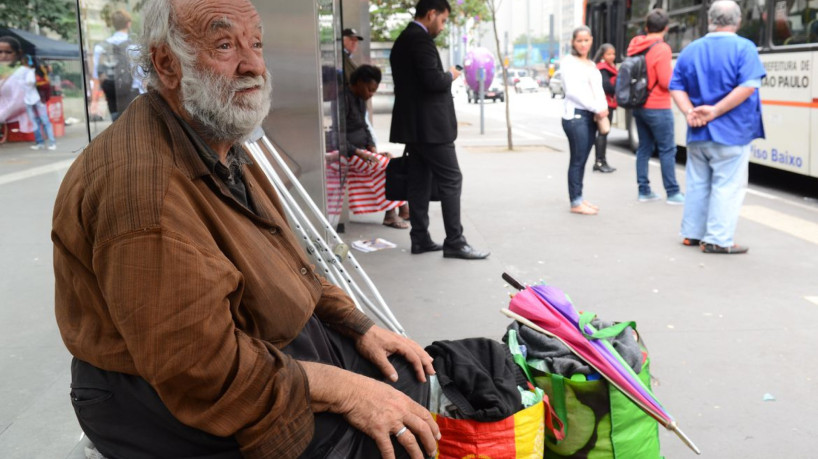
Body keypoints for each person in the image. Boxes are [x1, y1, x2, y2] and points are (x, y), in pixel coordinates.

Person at [52, 0, 441, 458]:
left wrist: (358, 326)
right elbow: (200, 370)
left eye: (255, 43)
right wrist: (344, 389)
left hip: (258, 346)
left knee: (413, 378)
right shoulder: (146, 193)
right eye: (224, 45)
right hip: (156, 397)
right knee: (395, 441)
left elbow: (290, 263)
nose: (253, 64)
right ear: (167, 64)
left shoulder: (216, 140)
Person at [390, 0, 489, 259]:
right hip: (431, 128)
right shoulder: (420, 40)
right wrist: (451, 75)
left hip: (415, 127)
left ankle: (420, 238)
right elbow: (432, 81)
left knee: (419, 181)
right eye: (443, 20)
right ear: (431, 14)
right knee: (451, 179)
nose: (443, 27)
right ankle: (455, 241)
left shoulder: (403, 39)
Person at [670, 0, 765, 254]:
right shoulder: (744, 48)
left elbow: (675, 86)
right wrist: (715, 111)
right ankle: (718, 239)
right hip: (732, 131)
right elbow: (748, 86)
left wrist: (690, 112)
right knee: (727, 186)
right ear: (738, 21)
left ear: (710, 19)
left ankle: (692, 233)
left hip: (698, 131)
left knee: (698, 183)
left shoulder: (691, 49)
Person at [626, 8, 685, 205]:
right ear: (666, 28)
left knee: (644, 148)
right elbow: (665, 81)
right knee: (667, 149)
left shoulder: (635, 45)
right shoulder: (662, 48)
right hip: (658, 106)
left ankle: (644, 190)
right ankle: (673, 192)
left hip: (639, 104)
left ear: (646, 27)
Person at [344, 64, 410, 229]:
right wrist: (360, 153)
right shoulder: (344, 99)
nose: (371, 94)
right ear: (359, 82)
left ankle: (402, 208)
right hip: (348, 153)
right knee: (387, 166)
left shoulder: (360, 100)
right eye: (370, 89)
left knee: (392, 161)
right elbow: (337, 136)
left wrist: (372, 148)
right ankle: (392, 214)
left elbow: (364, 128)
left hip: (362, 151)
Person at [559, 26, 608, 215]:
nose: (583, 44)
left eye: (586, 40)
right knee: (577, 160)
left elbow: (598, 90)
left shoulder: (591, 64)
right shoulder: (569, 62)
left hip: (590, 116)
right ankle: (575, 201)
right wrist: (597, 108)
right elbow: (573, 91)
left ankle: (579, 196)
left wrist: (602, 108)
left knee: (583, 159)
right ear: (573, 42)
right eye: (579, 40)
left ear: (591, 40)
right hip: (576, 116)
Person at [92, 8, 143, 121]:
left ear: (114, 25)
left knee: (117, 124)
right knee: (134, 125)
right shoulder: (134, 47)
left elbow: (96, 77)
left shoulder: (100, 47)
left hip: (112, 95)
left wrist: (94, 101)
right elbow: (140, 77)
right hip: (132, 94)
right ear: (128, 24)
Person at [22, 55, 57, 150]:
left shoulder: (36, 72)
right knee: (35, 122)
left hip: (38, 99)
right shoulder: (27, 72)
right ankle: (40, 142)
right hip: (29, 100)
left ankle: (51, 142)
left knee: (44, 121)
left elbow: (34, 82)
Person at [592, 43, 617, 173]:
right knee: (603, 132)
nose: (612, 56)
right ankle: (599, 161)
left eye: (613, 54)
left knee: (604, 133)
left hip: (608, 104)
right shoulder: (603, 69)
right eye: (608, 54)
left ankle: (602, 161)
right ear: (602, 55)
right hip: (604, 105)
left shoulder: (609, 67)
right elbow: (607, 87)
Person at [0, 36, 32, 134]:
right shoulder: (2, 72)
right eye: (0, 52)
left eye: (8, 52)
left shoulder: (23, 73)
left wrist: (1, 116)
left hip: (17, 126)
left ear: (18, 53)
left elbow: (19, 103)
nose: (3, 56)